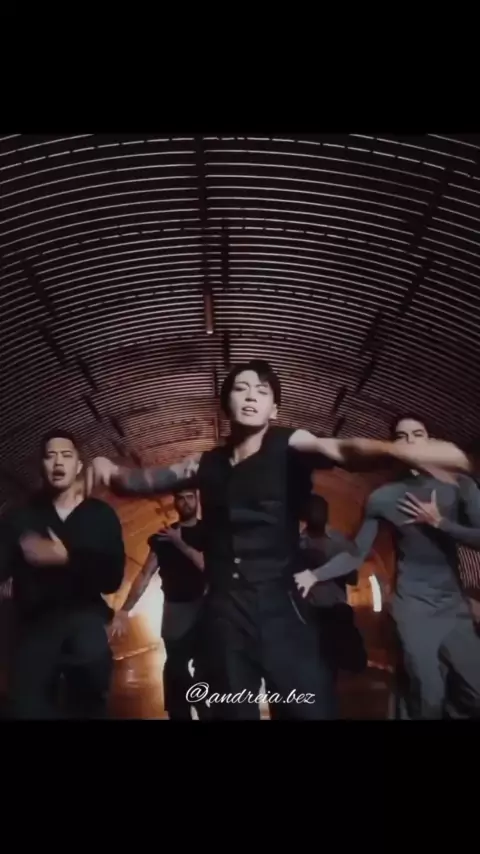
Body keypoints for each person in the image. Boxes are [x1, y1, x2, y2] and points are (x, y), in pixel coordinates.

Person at [87, 363, 471, 721]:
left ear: (274, 408)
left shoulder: (290, 444)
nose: (251, 396)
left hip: (281, 611)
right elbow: (146, 482)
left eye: (262, 391)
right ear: (226, 404)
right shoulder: (204, 464)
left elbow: (341, 450)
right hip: (224, 615)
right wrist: (110, 471)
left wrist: (399, 450)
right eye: (241, 389)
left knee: (308, 709)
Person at [298, 415, 480, 719]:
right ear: (392, 447)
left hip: (454, 608)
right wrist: (314, 575)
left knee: (475, 692)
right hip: (413, 609)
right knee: (427, 695)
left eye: (417, 434)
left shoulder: (460, 486)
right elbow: (355, 553)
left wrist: (441, 523)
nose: (410, 441)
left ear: (430, 440)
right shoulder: (383, 497)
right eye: (401, 436)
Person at [0, 430, 125, 719]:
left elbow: (112, 578)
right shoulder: (20, 517)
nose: (58, 462)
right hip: (34, 628)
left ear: (78, 466)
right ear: (41, 466)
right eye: (50, 456)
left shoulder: (101, 515)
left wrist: (67, 558)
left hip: (85, 626)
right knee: (25, 708)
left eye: (66, 456)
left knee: (89, 696)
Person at [111, 489, 210, 720]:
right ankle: (181, 713)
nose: (185, 502)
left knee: (208, 666)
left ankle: (206, 708)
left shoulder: (209, 532)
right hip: (175, 611)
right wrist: (125, 609)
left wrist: (180, 543)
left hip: (206, 608)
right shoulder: (163, 537)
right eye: (180, 498)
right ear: (174, 502)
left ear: (197, 499)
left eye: (189, 497)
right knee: (175, 667)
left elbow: (208, 567)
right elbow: (145, 574)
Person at [295, 494, 367, 678]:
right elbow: (353, 579)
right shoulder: (340, 542)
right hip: (327, 611)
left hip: (313, 613)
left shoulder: (297, 543)